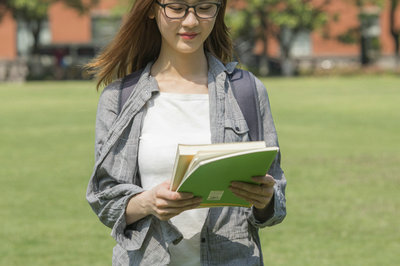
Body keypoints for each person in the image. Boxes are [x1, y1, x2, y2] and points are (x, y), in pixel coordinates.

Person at [86, 0, 286, 265]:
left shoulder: (248, 91)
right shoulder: (119, 98)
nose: (191, 21)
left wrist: (266, 199)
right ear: (151, 9)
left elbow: (276, 203)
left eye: (204, 7)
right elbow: (104, 200)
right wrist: (147, 202)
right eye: (177, 7)